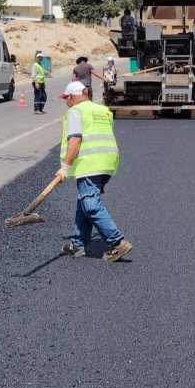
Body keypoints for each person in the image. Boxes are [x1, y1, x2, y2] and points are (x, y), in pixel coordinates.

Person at [58, 81, 132, 263]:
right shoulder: (103, 110)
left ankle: (117, 241)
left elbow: (75, 140)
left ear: (72, 97)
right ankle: (78, 243)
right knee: (85, 199)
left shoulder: (76, 111)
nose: (66, 102)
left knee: (90, 203)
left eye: (66, 98)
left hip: (89, 162)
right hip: (107, 162)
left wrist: (65, 167)